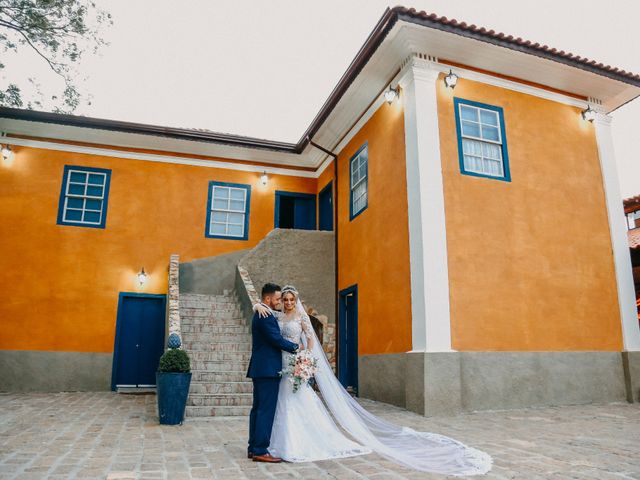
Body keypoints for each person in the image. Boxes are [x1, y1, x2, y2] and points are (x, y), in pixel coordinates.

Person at [254, 285, 493, 476]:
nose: (286, 303)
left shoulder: (300, 318)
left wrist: (304, 356)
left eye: (290, 300)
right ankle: (270, 444)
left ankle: (296, 442)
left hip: (294, 363)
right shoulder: (274, 315)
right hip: (280, 367)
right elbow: (266, 319)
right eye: (283, 300)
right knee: (276, 406)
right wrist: (256, 303)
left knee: (296, 403)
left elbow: (310, 341)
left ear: (296, 301)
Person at [246, 283, 300, 463]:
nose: (280, 302)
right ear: (267, 299)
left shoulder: (262, 312)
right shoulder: (266, 315)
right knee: (265, 411)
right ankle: (260, 449)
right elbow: (276, 339)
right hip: (268, 370)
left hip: (260, 369)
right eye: (277, 299)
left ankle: (253, 448)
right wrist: (295, 347)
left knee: (257, 409)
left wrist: (256, 304)